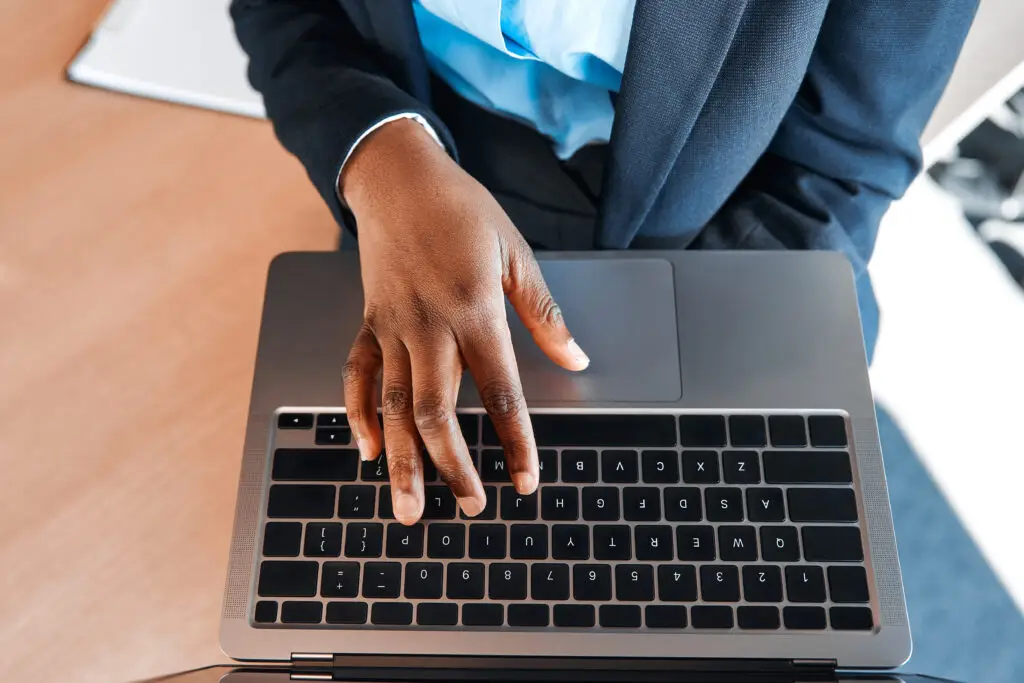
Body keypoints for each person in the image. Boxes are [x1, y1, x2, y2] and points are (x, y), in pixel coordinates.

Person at [230, 0, 977, 525]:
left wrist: (655, 406)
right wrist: (378, 152)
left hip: (729, 226)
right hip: (425, 172)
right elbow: (285, 11)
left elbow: (841, 162)